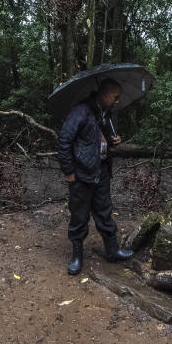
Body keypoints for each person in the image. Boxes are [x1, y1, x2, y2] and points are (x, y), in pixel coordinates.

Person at [57, 78, 133, 276]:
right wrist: (68, 172)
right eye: (115, 97)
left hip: (101, 172)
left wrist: (113, 140)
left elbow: (97, 139)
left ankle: (112, 250)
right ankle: (77, 256)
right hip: (81, 174)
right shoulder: (80, 112)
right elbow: (64, 141)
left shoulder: (105, 114)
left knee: (104, 212)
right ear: (104, 93)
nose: (117, 101)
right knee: (79, 215)